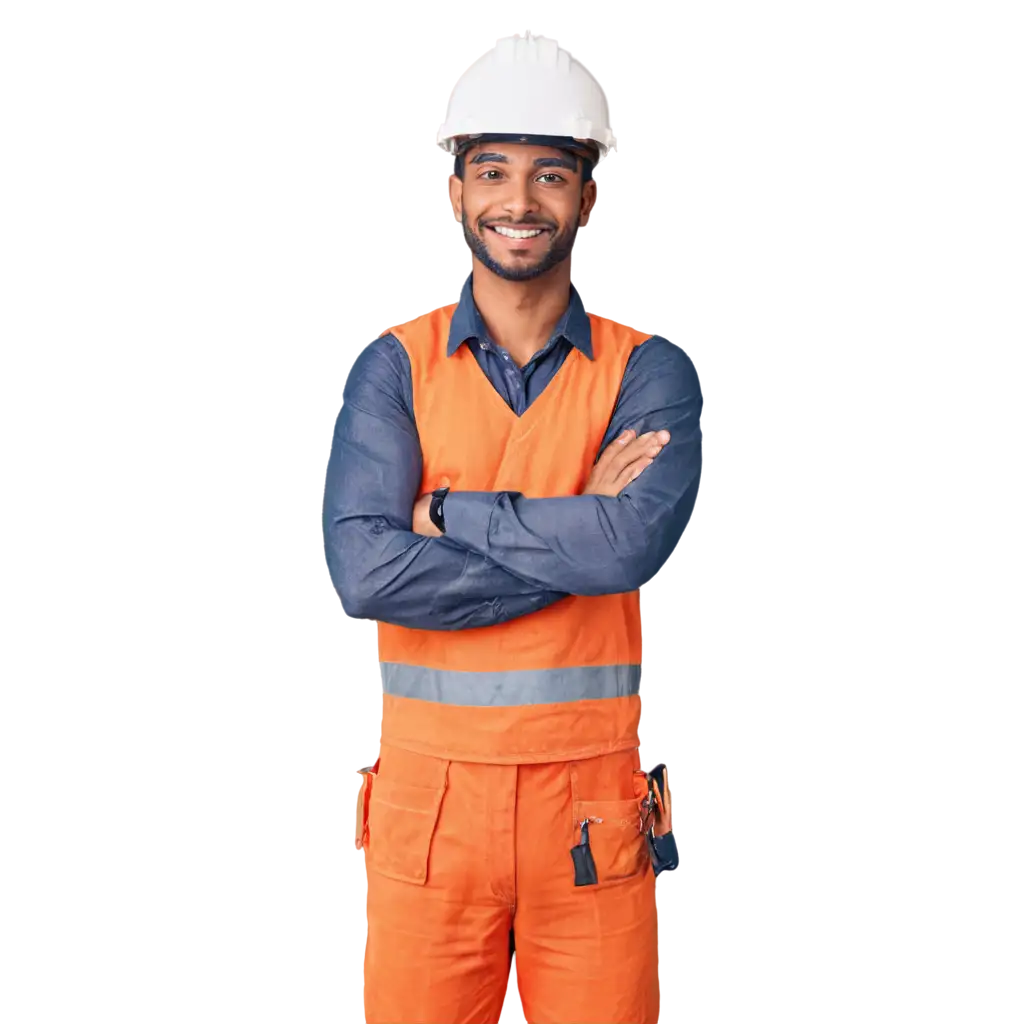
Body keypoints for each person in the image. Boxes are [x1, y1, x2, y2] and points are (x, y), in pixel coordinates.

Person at [320, 30, 703, 1024]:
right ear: (454, 192)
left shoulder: (647, 369)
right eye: (491, 171)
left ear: (587, 197)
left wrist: (446, 514)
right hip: (428, 815)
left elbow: (634, 546)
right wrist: (583, 540)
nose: (518, 200)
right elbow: (363, 574)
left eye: (549, 174)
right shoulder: (391, 367)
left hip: (590, 819)